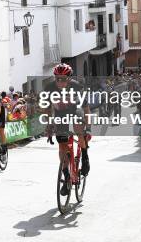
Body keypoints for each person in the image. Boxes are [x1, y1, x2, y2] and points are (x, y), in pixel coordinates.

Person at [44, 63, 91, 196]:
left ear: (69, 78)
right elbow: (48, 109)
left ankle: (85, 156)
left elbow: (86, 108)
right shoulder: (49, 88)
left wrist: (88, 128)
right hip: (60, 114)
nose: (60, 82)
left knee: (78, 126)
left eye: (63, 79)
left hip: (75, 110)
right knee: (62, 147)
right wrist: (49, 125)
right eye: (57, 78)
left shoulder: (77, 87)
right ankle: (66, 178)